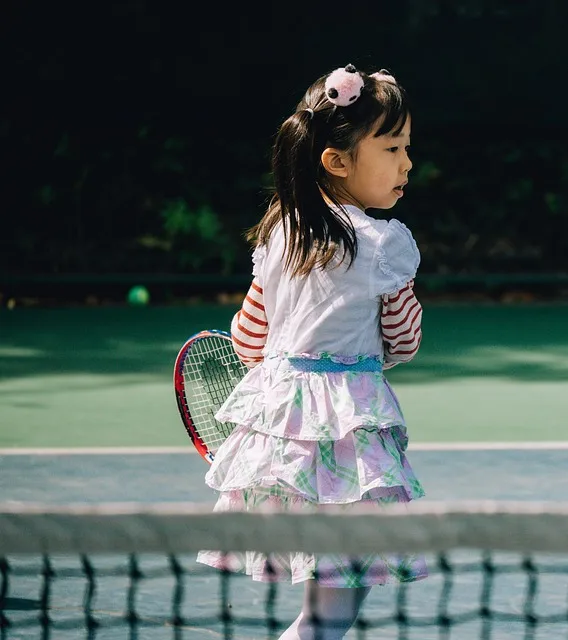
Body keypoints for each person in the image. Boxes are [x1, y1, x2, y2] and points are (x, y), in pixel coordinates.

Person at [196, 63, 426, 640]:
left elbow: (249, 338)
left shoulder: (279, 232)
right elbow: (404, 340)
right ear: (338, 161)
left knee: (320, 608)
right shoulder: (384, 245)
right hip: (348, 447)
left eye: (407, 148)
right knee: (333, 613)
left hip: (280, 444)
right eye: (393, 147)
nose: (407, 163)